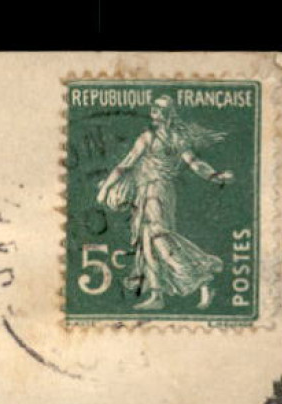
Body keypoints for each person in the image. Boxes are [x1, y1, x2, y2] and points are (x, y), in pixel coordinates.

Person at [96, 96, 235, 311]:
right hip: (149, 192)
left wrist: (215, 176)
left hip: (157, 192)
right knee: (148, 243)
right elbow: (126, 165)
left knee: (159, 239)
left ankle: (203, 276)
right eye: (153, 107)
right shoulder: (151, 138)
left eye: (159, 108)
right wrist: (106, 187)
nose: (154, 111)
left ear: (168, 113)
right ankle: (157, 295)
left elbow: (195, 163)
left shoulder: (165, 139)